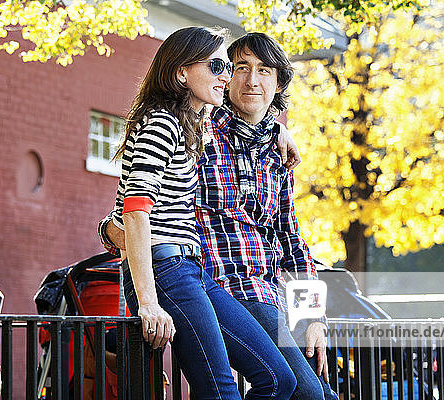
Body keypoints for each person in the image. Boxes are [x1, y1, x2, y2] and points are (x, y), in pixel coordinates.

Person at [99, 26, 296, 400]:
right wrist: (148, 303)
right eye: (217, 65)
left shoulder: (192, 126)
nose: (226, 76)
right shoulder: (161, 124)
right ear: (181, 73)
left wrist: (280, 133)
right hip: (166, 270)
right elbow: (136, 210)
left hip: (193, 270)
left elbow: (245, 124)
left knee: (277, 379)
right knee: (220, 392)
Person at [195, 33, 338, 400]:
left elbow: (293, 243)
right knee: (305, 393)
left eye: (263, 70)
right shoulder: (198, 131)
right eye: (241, 68)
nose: (251, 80)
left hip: (267, 297)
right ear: (226, 76)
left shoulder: (278, 154)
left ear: (277, 83)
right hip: (218, 288)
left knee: (319, 393)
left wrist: (312, 319)